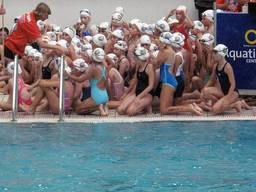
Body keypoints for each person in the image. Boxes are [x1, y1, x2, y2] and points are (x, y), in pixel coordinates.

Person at [201, 44, 251, 113]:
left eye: (215, 53)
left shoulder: (227, 67)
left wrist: (227, 98)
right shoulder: (216, 66)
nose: (213, 55)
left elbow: (233, 84)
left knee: (215, 110)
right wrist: (203, 90)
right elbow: (211, 80)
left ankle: (236, 104)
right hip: (222, 92)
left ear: (221, 54)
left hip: (232, 93)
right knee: (205, 91)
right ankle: (220, 105)